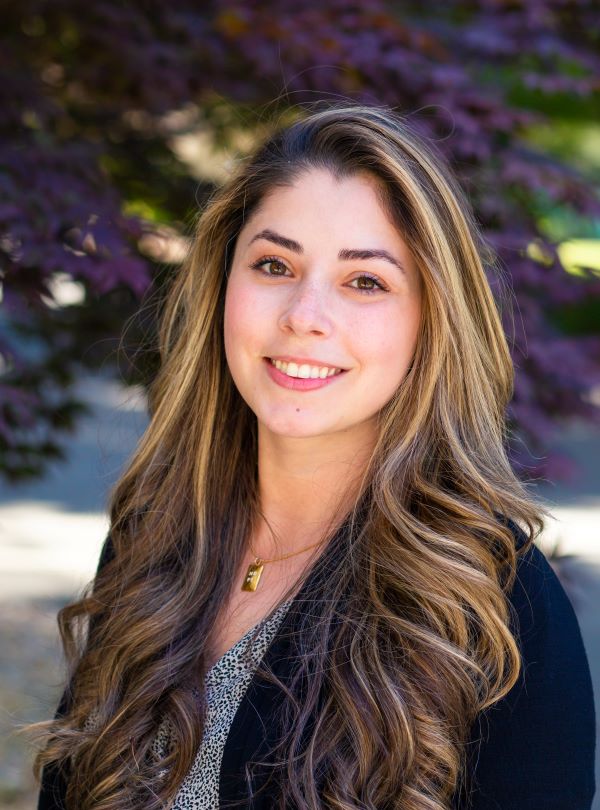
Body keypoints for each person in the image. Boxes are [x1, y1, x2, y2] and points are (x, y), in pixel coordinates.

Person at [30, 103, 595, 809]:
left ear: (431, 320)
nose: (304, 315)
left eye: (366, 282)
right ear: (221, 288)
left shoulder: (497, 605)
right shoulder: (158, 533)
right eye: (274, 264)